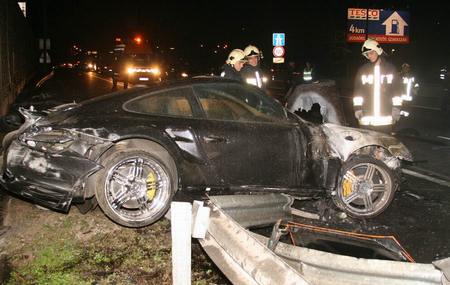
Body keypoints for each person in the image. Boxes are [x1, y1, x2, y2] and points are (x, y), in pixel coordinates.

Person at [353, 38, 402, 129]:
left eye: (371, 53)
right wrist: (357, 109)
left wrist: (396, 108)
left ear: (378, 51)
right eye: (367, 54)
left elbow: (397, 91)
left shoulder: (390, 69)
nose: (369, 56)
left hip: (385, 117)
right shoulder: (363, 70)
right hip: (367, 118)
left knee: (383, 142)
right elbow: (358, 93)